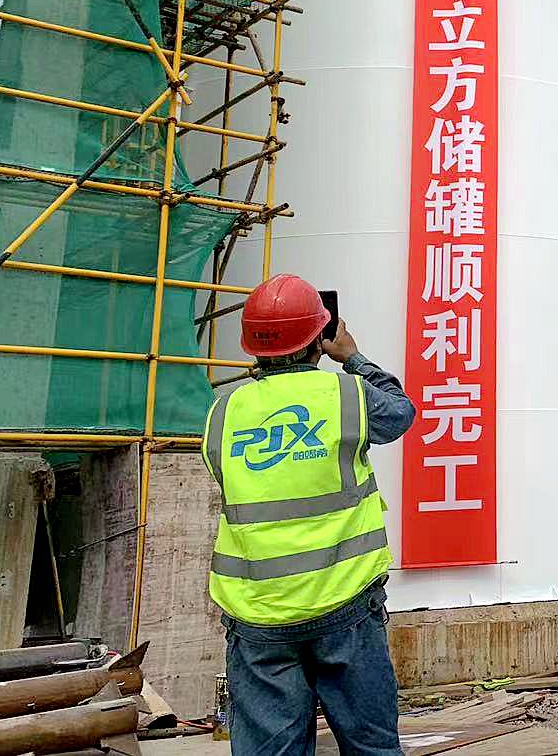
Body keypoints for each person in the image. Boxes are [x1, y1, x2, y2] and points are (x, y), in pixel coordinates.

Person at [202, 274, 417, 756]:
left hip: (258, 615)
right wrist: (353, 357)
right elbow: (401, 413)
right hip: (344, 604)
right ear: (317, 338)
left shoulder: (223, 413)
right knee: (371, 748)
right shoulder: (346, 394)